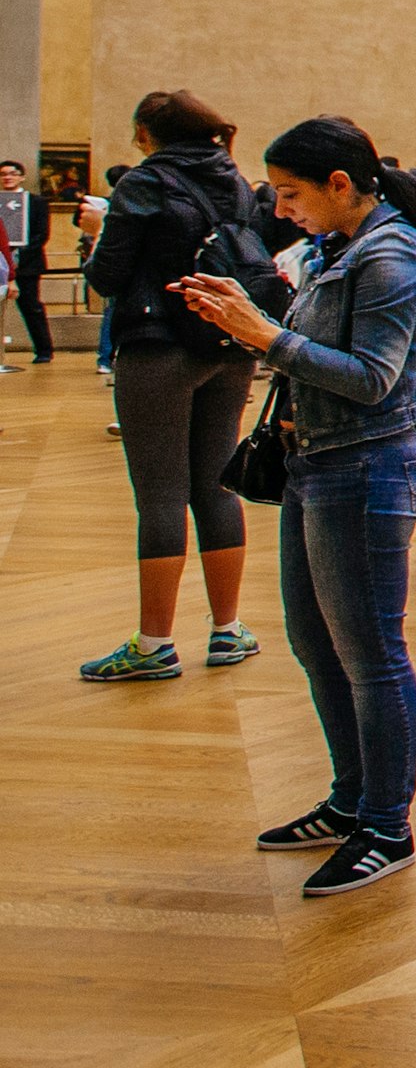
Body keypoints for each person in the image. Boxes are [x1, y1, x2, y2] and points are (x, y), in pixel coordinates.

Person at [169, 117, 416, 897]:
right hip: (318, 464)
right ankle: (353, 798)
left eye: (291, 194)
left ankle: (388, 826)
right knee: (316, 642)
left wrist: (262, 336)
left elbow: (372, 378)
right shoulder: (345, 249)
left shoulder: (392, 257)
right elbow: (319, 345)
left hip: (368, 470)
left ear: (340, 186)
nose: (282, 209)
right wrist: (246, 312)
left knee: (370, 653)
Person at [79, 90, 266, 683]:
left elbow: (106, 276)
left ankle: (155, 643)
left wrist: (99, 224)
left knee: (160, 497)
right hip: (227, 345)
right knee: (217, 486)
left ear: (145, 131)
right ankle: (227, 630)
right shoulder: (233, 179)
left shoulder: (143, 183)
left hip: (157, 347)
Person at [2, 158, 47, 367]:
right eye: (3, 174)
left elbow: (41, 234)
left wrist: (19, 257)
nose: (7, 177)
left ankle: (44, 349)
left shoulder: (36, 202)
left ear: (21, 176)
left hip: (27, 263)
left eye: (12, 173)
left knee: (31, 307)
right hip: (1, 262)